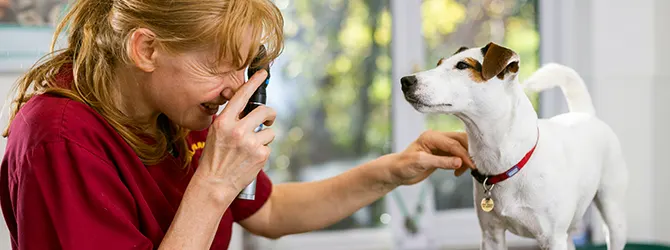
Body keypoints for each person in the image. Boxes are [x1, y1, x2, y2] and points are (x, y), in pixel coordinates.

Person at [0, 0, 475, 249]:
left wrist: (396, 168)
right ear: (146, 50)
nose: (235, 89)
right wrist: (212, 184)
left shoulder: (179, 111)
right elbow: (219, 197)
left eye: (243, 67)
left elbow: (266, 212)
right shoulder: (59, 139)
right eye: (219, 66)